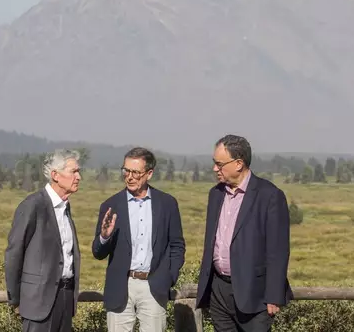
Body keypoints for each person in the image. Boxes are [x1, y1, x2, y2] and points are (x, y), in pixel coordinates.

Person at [196, 135, 293, 331]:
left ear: (239, 163)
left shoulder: (270, 196)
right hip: (219, 292)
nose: (215, 169)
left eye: (219, 164)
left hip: (254, 294)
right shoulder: (215, 194)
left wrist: (273, 296)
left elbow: (278, 251)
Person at [92, 147, 186, 332]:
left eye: (136, 172)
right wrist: (104, 236)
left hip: (155, 286)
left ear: (149, 173)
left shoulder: (167, 204)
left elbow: (177, 245)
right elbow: (98, 252)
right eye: (126, 171)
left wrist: (168, 277)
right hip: (120, 287)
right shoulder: (111, 205)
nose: (130, 177)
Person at [4, 149, 82, 332]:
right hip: (37, 304)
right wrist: (15, 300)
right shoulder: (32, 205)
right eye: (74, 171)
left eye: (79, 171)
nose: (79, 177)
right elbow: (14, 254)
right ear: (55, 175)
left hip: (65, 299)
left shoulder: (65, 208)